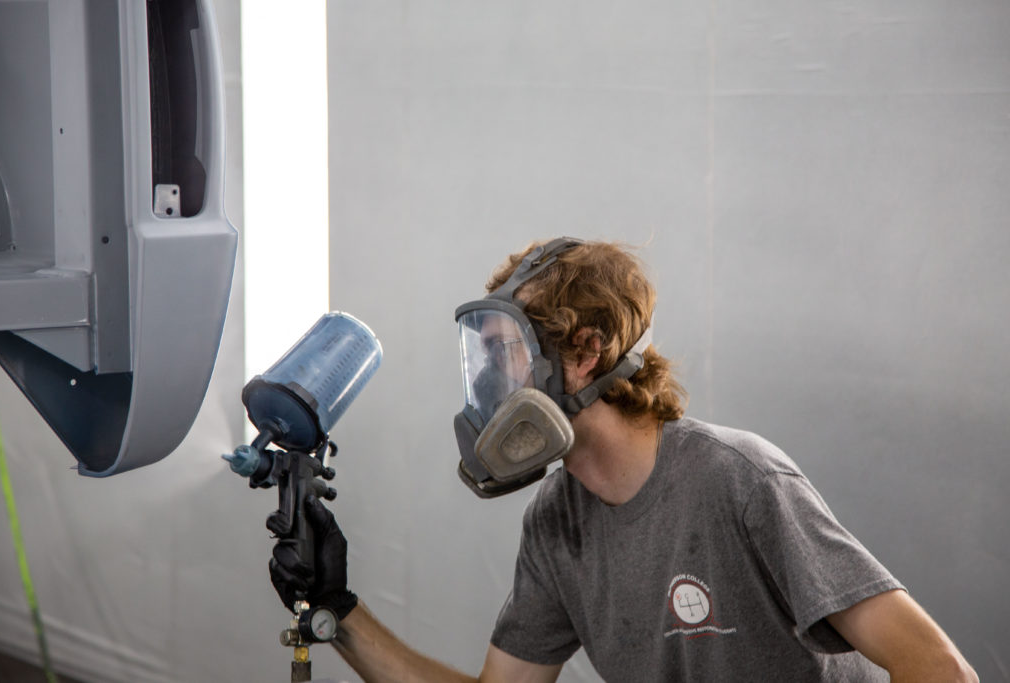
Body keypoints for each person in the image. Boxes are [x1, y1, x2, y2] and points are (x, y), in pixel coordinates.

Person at [270, 238, 978, 682]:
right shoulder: (557, 521)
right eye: (480, 357)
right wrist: (338, 610)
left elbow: (937, 665)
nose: (489, 386)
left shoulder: (737, 478)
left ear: (584, 353)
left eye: (505, 354)